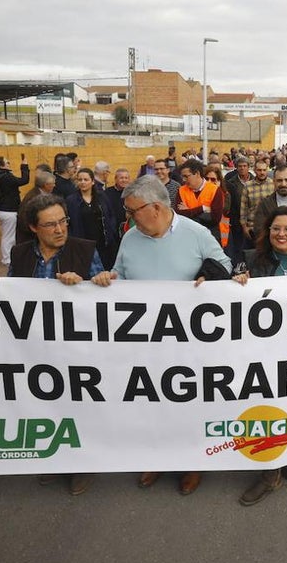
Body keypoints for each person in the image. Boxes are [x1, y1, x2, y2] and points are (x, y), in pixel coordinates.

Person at [99, 176, 232, 496]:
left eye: (132, 211)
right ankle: (158, 456)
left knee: (190, 403)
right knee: (153, 402)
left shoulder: (198, 234)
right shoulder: (130, 238)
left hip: (192, 343)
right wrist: (107, 279)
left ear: (155, 207)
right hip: (147, 342)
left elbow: (224, 270)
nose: (128, 218)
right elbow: (120, 274)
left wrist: (207, 279)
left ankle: (192, 462)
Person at [0, 193, 108, 496]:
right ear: (33, 228)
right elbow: (12, 292)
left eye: (63, 221)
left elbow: (101, 296)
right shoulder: (21, 253)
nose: (59, 229)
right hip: (36, 346)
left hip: (75, 346)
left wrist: (88, 283)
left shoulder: (85, 250)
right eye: (50, 224)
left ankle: (81, 464)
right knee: (47, 403)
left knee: (78, 405)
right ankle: (55, 456)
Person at [231, 206, 287, 505]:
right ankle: (270, 473)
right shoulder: (251, 261)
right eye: (275, 229)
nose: (280, 234)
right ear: (267, 233)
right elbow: (236, 298)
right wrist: (238, 282)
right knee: (266, 405)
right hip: (264, 351)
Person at [66, 167, 118, 269]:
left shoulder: (101, 196)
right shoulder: (71, 200)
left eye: (86, 180)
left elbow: (111, 214)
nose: (82, 182)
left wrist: (111, 231)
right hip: (83, 243)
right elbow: (69, 223)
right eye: (80, 180)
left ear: (93, 181)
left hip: (103, 242)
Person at [0, 156, 30, 266]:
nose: (9, 164)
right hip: (7, 211)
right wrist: (24, 166)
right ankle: (6, 259)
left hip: (1, 210)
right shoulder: (5, 177)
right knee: (8, 236)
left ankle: (9, 257)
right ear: (2, 166)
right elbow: (24, 180)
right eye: (7, 162)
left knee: (8, 235)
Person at [177, 158, 225, 241]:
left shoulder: (215, 190)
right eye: (182, 176)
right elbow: (179, 215)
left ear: (197, 173)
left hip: (210, 237)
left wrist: (189, 211)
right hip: (188, 238)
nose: (183, 180)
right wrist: (202, 209)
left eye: (186, 176)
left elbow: (215, 219)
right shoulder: (181, 190)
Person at [17, 170, 57, 244]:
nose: (54, 185)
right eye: (53, 183)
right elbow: (24, 220)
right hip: (30, 239)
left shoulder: (39, 194)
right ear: (46, 185)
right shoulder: (34, 198)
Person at [239, 159, 274, 243]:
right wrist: (244, 228)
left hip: (270, 227)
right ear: (254, 171)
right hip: (252, 228)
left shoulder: (273, 184)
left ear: (267, 170)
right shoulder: (248, 186)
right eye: (259, 170)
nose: (262, 172)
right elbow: (243, 209)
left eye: (264, 170)